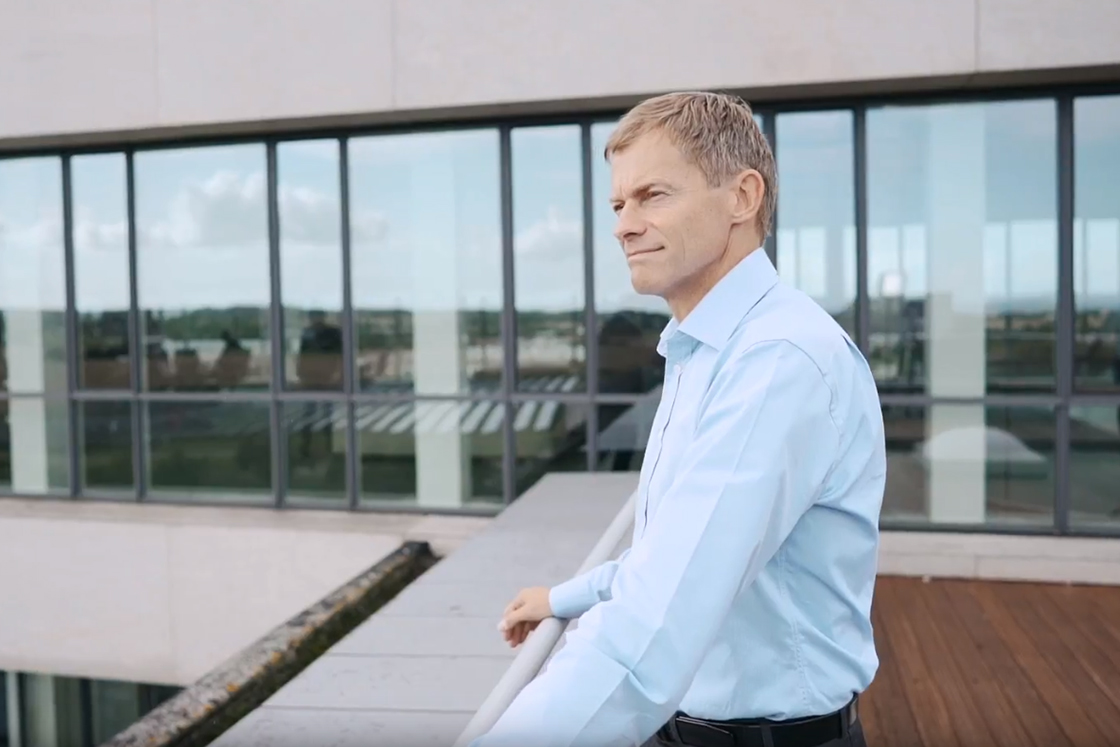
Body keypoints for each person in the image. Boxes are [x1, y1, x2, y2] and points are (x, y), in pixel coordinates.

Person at [473, 91, 885, 747]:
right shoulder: (708, 349)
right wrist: (566, 596)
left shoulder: (777, 362)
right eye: (617, 204)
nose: (623, 225)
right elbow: (676, 551)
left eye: (652, 195)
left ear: (742, 198)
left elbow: (652, 626)